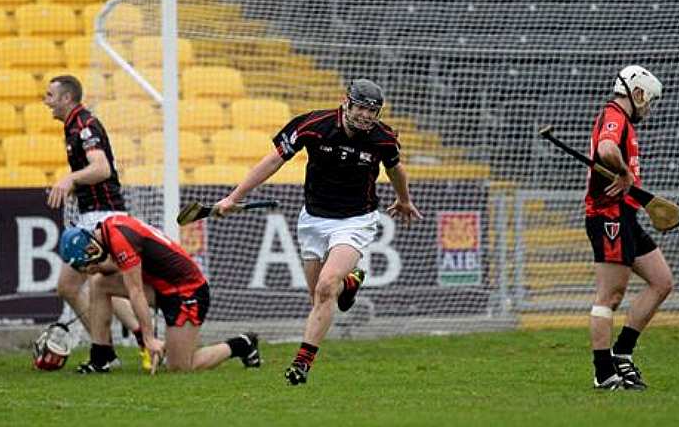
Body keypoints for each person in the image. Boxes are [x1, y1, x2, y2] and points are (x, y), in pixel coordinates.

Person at [213, 79, 422, 385]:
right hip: (313, 219)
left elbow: (395, 169)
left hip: (357, 220)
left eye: (372, 111)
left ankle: (301, 364)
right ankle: (350, 284)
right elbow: (274, 160)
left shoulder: (383, 139)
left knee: (326, 286)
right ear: (346, 102)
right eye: (361, 107)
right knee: (320, 296)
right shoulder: (313, 125)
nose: (366, 115)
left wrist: (403, 199)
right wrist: (234, 198)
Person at [57, 216, 261, 373]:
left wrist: (148, 338)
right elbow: (123, 268)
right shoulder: (109, 229)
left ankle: (242, 344)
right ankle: (101, 357)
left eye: (90, 261)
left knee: (180, 367)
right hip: (163, 288)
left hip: (187, 292)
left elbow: (136, 292)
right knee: (100, 282)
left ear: (92, 247)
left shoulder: (120, 239)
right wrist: (99, 269)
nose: (91, 265)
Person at [43, 75, 151, 370]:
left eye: (50, 95)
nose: (46, 101)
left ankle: (118, 346)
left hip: (104, 217)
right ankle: (112, 348)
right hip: (94, 215)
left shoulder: (84, 125)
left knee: (86, 284)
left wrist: (70, 179)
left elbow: (101, 168)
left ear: (67, 98)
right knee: (88, 284)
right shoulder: (73, 126)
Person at [585, 65, 673, 390]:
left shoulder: (622, 122)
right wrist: (624, 172)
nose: (648, 108)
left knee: (662, 282)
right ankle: (603, 373)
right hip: (608, 215)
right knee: (610, 295)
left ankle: (623, 354)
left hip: (626, 215)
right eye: (648, 100)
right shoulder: (615, 117)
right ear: (636, 94)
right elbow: (606, 150)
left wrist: (627, 179)